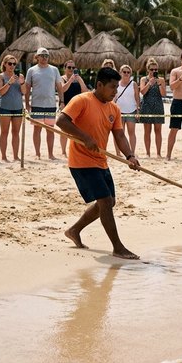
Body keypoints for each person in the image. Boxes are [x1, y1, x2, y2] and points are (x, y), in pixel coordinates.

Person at [56, 67, 141, 260]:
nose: (115, 92)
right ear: (100, 85)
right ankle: (118, 247)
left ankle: (74, 230)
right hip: (81, 161)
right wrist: (84, 137)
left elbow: (119, 134)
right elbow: (62, 121)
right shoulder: (82, 100)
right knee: (104, 201)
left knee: (109, 202)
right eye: (112, 87)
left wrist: (130, 156)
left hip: (100, 161)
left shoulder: (114, 109)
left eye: (116, 88)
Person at [25, 47, 70, 160]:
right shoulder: (32, 70)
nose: (44, 58)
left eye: (46, 56)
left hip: (50, 104)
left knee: (50, 129)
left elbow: (59, 87)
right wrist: (27, 103)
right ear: (37, 57)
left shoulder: (54, 70)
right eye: (42, 55)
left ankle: (50, 154)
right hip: (36, 104)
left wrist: (62, 101)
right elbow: (27, 88)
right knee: (37, 129)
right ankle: (37, 153)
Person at [0, 54, 25, 162]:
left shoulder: (20, 76)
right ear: (5, 64)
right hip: (5, 107)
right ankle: (3, 156)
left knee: (16, 132)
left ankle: (16, 156)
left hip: (17, 106)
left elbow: (24, 92)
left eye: (14, 64)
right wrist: (9, 82)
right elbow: (1, 92)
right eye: (10, 63)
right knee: (4, 132)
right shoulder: (0, 76)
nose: (12, 66)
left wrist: (21, 82)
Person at [59, 59, 89, 156]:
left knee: (78, 129)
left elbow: (85, 92)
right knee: (64, 130)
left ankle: (77, 151)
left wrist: (80, 80)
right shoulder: (62, 78)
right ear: (65, 68)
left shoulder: (78, 79)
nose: (71, 69)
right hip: (66, 106)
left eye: (73, 68)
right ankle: (63, 151)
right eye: (69, 67)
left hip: (78, 107)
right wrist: (70, 80)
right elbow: (62, 89)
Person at [138, 58, 166, 157]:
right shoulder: (144, 79)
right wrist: (149, 83)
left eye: (156, 70)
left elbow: (163, 94)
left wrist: (158, 84)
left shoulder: (161, 80)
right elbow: (142, 92)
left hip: (158, 105)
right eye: (152, 70)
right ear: (148, 70)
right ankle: (148, 153)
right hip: (147, 105)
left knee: (158, 130)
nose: (154, 71)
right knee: (147, 131)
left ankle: (158, 153)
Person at [113, 64, 140, 154]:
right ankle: (118, 153)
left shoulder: (133, 84)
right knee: (119, 133)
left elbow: (137, 98)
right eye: (124, 72)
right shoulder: (117, 84)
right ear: (120, 73)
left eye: (128, 72)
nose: (126, 74)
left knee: (131, 132)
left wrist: (138, 110)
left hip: (131, 110)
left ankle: (132, 152)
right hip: (119, 111)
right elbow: (114, 98)